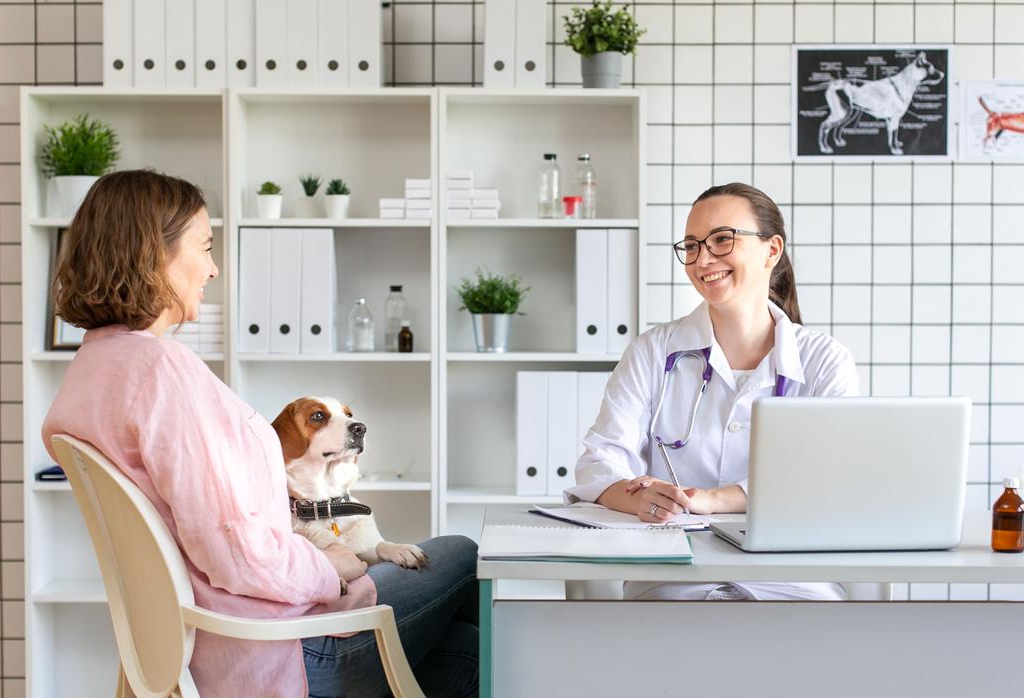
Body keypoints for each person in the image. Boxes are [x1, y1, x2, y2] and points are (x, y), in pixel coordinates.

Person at [42, 169, 478, 697]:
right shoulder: (161, 374)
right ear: (153, 253)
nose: (213, 268)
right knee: (463, 555)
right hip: (280, 648)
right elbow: (237, 552)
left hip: (195, 646)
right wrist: (328, 568)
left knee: (472, 650)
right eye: (204, 248)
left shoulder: (94, 368)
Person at [565, 183, 858, 602]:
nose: (703, 259)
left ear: (771, 250)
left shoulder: (824, 361)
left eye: (722, 240)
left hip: (791, 578)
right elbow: (600, 463)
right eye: (691, 245)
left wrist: (716, 500)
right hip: (673, 576)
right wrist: (641, 499)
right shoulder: (653, 352)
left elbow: (829, 481)